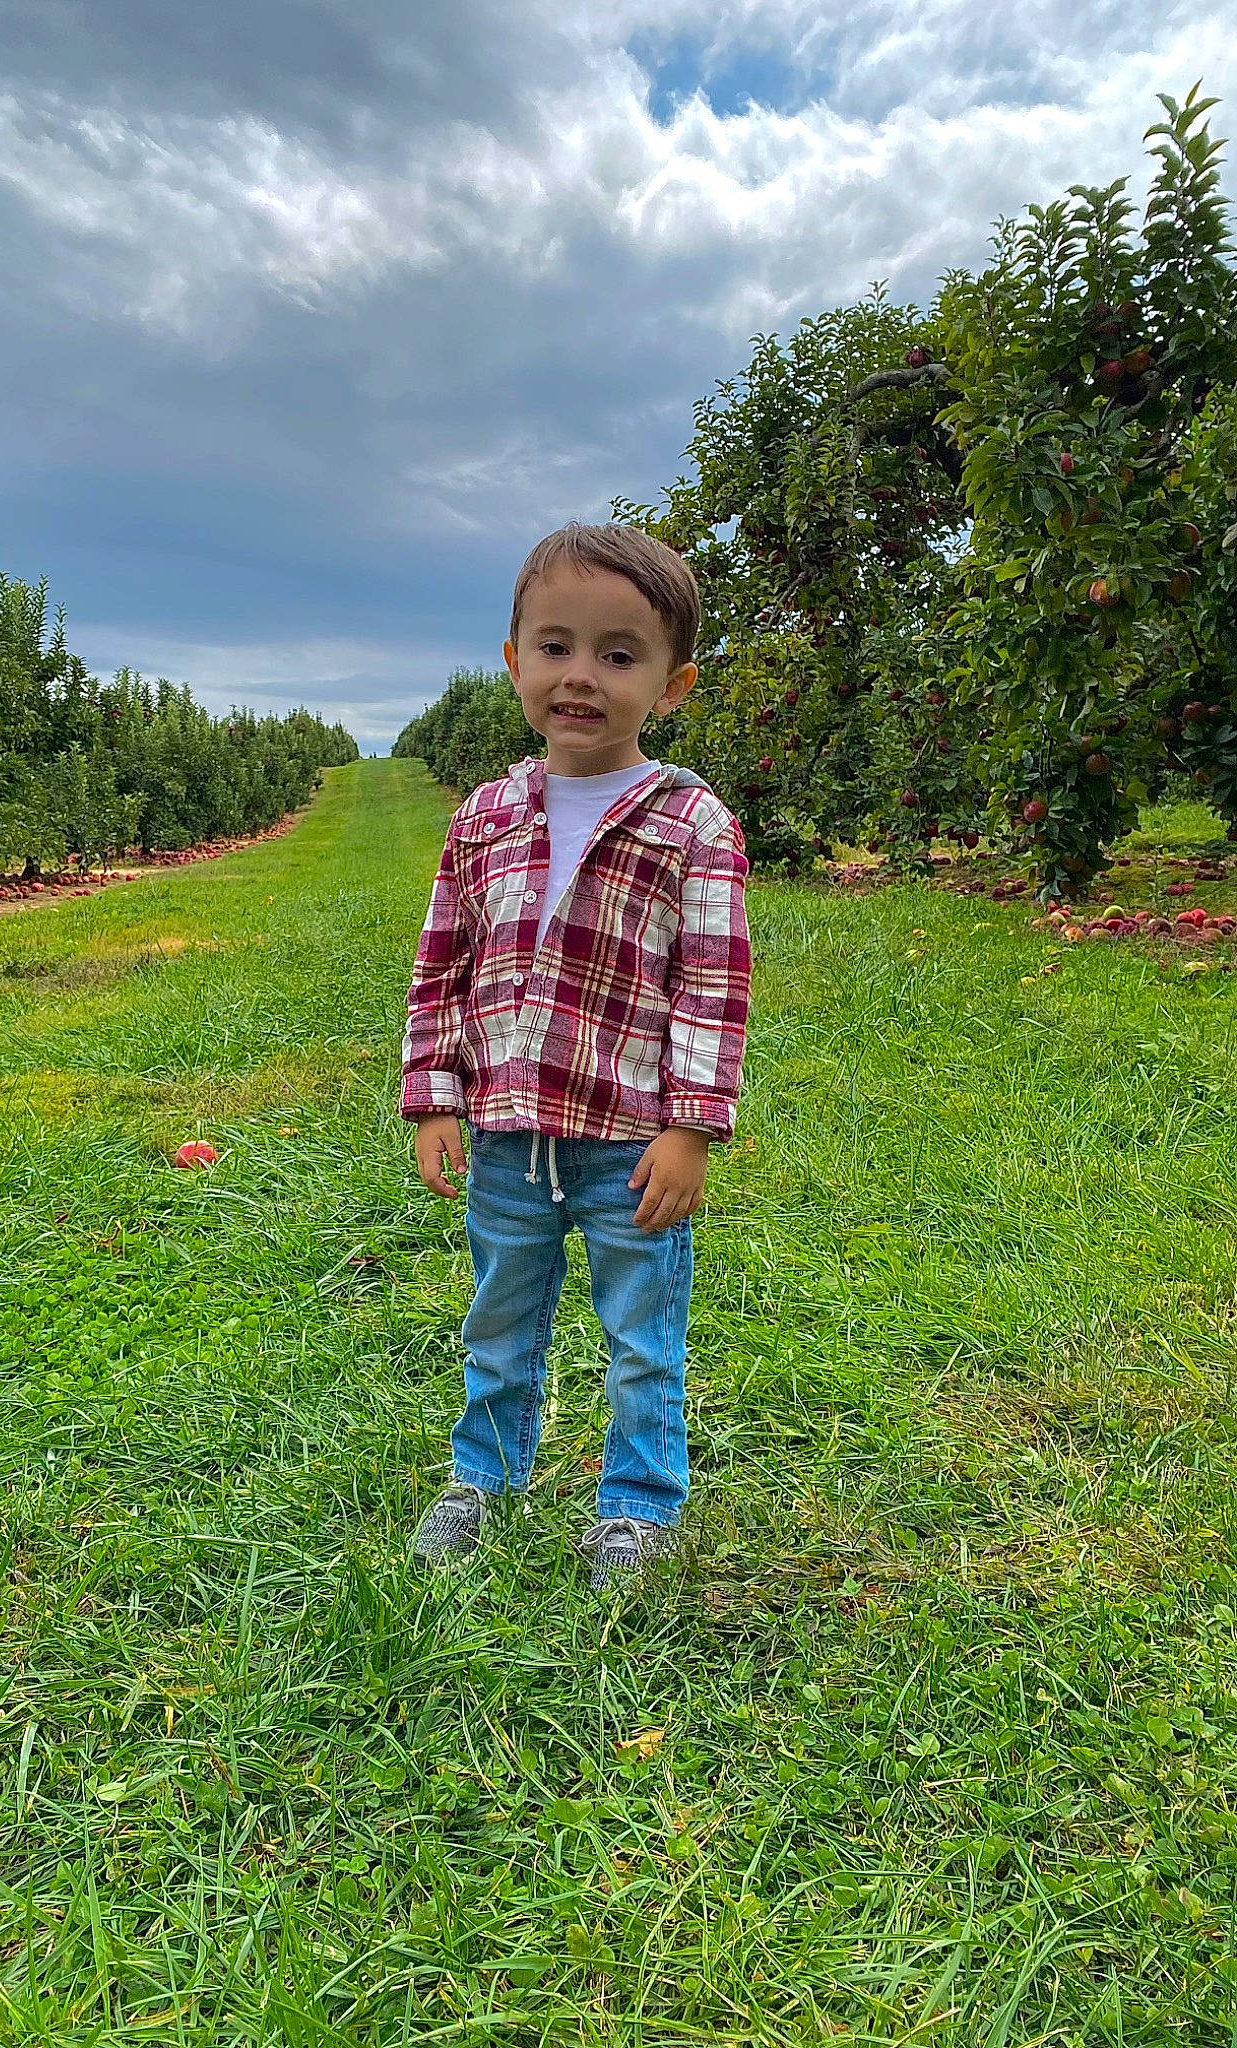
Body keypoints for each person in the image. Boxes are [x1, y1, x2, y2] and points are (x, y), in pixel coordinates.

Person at [399, 520, 751, 1591]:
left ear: (673, 683)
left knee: (643, 1333)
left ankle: (638, 1507)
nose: (580, 678)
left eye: (617, 654)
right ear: (514, 661)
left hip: (629, 1146)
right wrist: (435, 1096)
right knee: (500, 1317)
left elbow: (714, 982)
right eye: (555, 647)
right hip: (507, 1134)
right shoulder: (485, 815)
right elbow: (442, 961)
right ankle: (482, 1478)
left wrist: (691, 1124)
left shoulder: (692, 822)